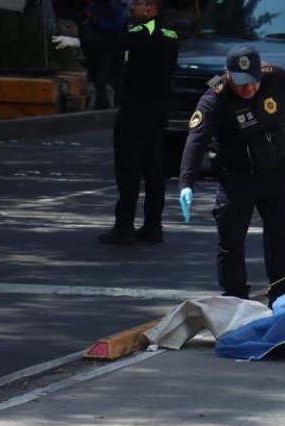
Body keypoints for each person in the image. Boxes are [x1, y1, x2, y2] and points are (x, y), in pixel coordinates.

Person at [178, 46, 285, 305]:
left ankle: (284, 296)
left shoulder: (278, 77)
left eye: (253, 82)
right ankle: (235, 298)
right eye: (242, 84)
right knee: (230, 240)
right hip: (236, 178)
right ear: (228, 75)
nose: (249, 89)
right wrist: (187, 182)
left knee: (282, 238)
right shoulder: (215, 96)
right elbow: (196, 140)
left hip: (276, 173)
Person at [53, 0, 179, 245]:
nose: (131, 8)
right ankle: (153, 227)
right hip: (160, 107)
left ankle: (124, 227)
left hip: (137, 107)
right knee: (153, 167)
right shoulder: (171, 32)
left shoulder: (145, 30)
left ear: (150, 7)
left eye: (137, 4)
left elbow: (114, 42)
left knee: (128, 166)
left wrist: (79, 42)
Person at [81, 0, 125, 109]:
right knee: (96, 77)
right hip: (95, 47)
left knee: (108, 77)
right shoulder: (93, 6)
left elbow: (118, 26)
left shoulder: (114, 9)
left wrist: (99, 23)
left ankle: (109, 103)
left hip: (110, 48)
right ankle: (102, 102)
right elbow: (85, 20)